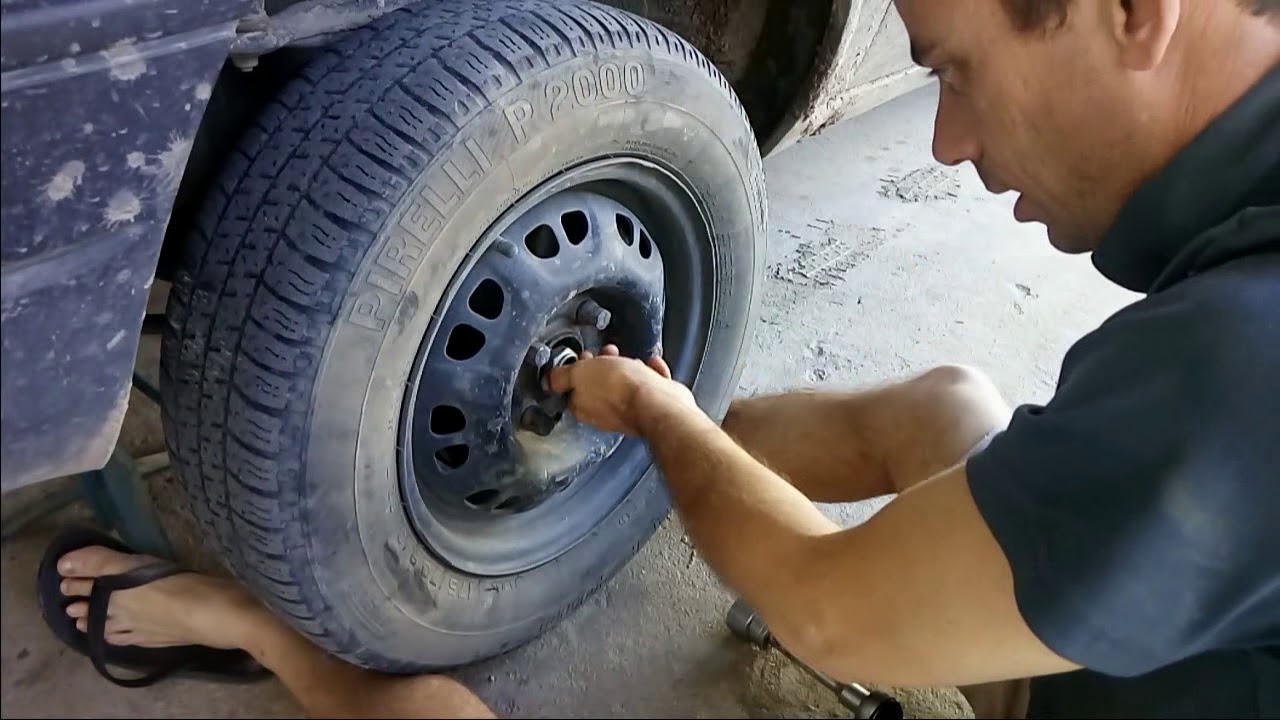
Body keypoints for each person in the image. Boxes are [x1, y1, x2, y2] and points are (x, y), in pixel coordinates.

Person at [48, 0, 1277, 717]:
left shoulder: (1239, 372)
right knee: (949, 406)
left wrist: (649, 408)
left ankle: (268, 637)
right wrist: (646, 435)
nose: (945, 139)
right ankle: (600, 494)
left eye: (955, 66)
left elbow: (830, 614)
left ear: (1134, 12)